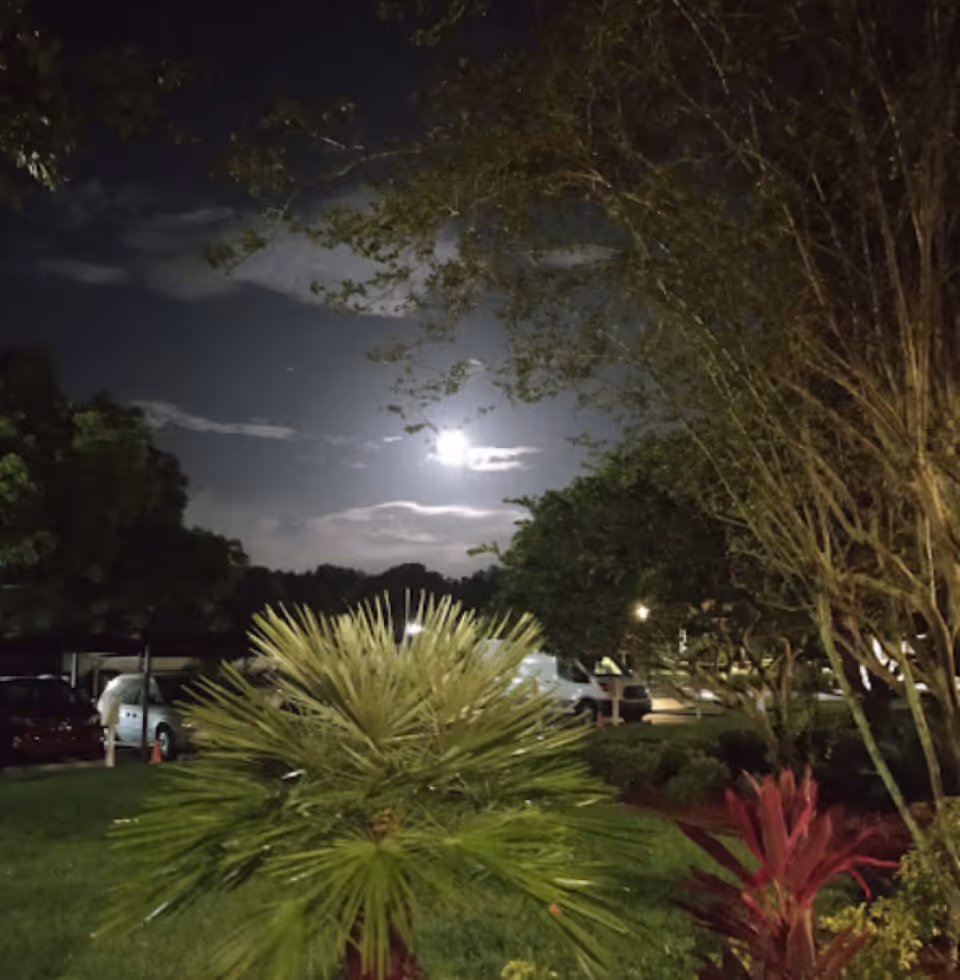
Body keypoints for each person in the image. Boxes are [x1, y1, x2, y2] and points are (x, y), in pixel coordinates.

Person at [97, 679, 122, 768]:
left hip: (105, 719)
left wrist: (102, 714)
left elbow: (99, 706)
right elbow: (117, 705)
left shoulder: (105, 694)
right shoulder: (115, 694)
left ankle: (108, 760)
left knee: (106, 739)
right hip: (112, 719)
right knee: (111, 740)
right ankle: (110, 762)